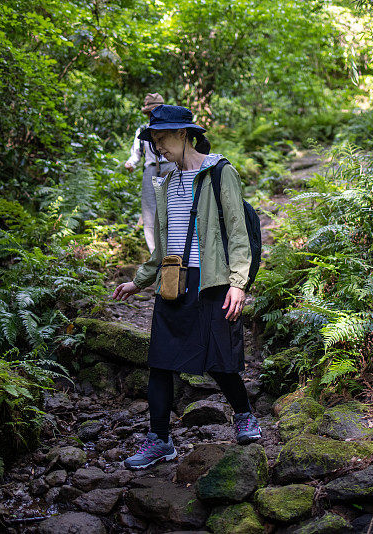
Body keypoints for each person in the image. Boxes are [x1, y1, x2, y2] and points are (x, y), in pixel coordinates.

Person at [112, 104, 262, 469]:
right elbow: (164, 246)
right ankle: (159, 440)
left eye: (161, 139)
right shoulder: (164, 181)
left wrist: (239, 283)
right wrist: (138, 281)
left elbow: (239, 234)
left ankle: (244, 414)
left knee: (221, 362)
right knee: (161, 362)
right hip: (173, 280)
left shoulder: (219, 172)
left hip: (212, 280)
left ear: (183, 134)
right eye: (153, 141)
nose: (157, 147)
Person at [125, 93, 178, 253]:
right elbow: (136, 153)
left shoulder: (172, 128)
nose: (152, 115)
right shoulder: (142, 131)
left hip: (171, 167)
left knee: (174, 209)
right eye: (150, 113)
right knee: (150, 213)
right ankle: (156, 253)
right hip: (150, 170)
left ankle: (175, 251)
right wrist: (130, 163)